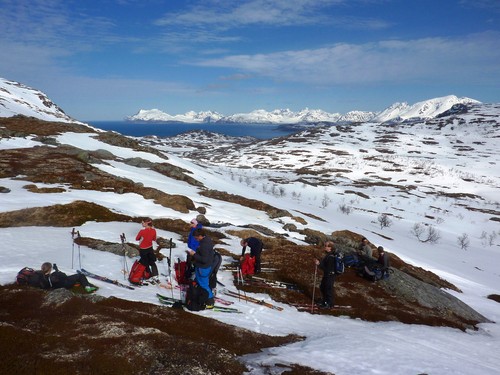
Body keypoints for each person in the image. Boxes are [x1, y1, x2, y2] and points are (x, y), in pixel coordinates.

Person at [186, 228, 215, 308]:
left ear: (200, 236)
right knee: (203, 283)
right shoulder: (207, 240)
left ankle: (210, 302)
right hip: (206, 267)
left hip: (203, 268)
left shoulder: (204, 245)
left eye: (196, 237)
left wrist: (194, 254)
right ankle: (204, 298)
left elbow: (204, 259)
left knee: (203, 284)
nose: (196, 239)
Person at [135, 217, 159, 284]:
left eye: (142, 223)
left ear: (146, 223)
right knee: (152, 261)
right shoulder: (154, 230)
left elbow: (137, 238)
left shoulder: (142, 231)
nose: (141, 224)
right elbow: (154, 239)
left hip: (143, 249)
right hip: (150, 248)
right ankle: (155, 275)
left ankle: (148, 276)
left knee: (145, 262)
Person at [314, 241, 337, 309]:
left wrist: (319, 264)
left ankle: (329, 304)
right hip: (328, 275)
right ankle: (325, 301)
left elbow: (327, 268)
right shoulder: (329, 254)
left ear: (330, 247)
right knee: (323, 287)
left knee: (327, 289)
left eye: (326, 246)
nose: (324, 247)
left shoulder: (331, 256)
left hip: (330, 275)